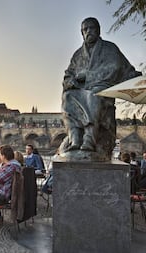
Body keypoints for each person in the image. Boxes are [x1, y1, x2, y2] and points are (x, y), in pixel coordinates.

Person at [60, 17, 141, 160]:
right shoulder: (78, 55)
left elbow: (115, 68)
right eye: (86, 29)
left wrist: (89, 75)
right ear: (82, 33)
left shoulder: (109, 48)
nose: (89, 31)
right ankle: (75, 138)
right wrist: (70, 81)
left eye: (92, 28)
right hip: (80, 90)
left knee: (93, 94)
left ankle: (89, 139)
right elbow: (68, 73)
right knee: (67, 97)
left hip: (102, 89)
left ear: (98, 30)